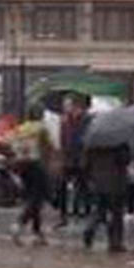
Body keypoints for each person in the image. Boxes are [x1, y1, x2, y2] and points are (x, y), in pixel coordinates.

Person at [10, 104, 55, 245]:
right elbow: (50, 146)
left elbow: (12, 145)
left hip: (22, 165)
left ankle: (37, 232)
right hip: (37, 165)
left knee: (32, 196)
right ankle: (20, 223)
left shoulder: (21, 128)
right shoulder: (41, 129)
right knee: (37, 198)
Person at [84, 140, 131, 253]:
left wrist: (90, 178)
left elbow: (87, 163)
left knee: (100, 209)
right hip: (116, 182)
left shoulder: (93, 144)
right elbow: (125, 160)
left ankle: (90, 228)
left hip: (98, 181)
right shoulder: (120, 143)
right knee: (116, 213)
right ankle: (115, 242)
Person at [56, 96, 91, 225]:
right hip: (68, 158)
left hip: (80, 157)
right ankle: (64, 213)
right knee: (63, 186)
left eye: (68, 105)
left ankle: (84, 210)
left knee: (83, 185)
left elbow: (86, 137)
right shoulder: (65, 121)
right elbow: (63, 139)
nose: (65, 108)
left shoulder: (86, 119)